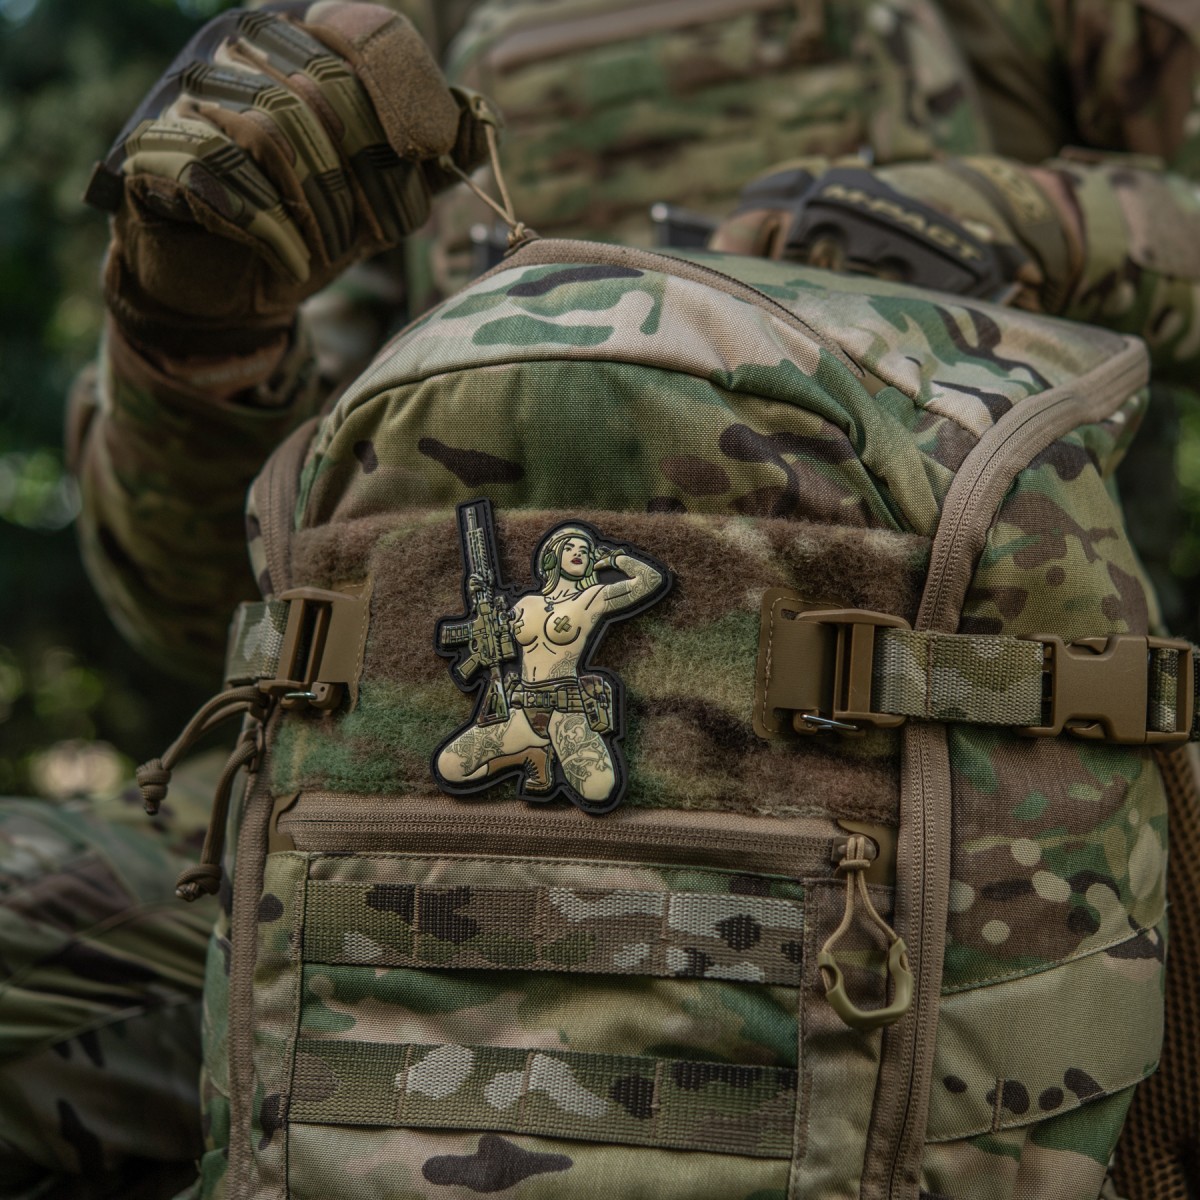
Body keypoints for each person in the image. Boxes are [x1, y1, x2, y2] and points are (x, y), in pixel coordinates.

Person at [4, 0, 1200, 1195]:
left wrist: (1028, 223)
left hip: (975, 819)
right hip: (374, 823)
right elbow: (204, 614)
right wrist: (194, 322)